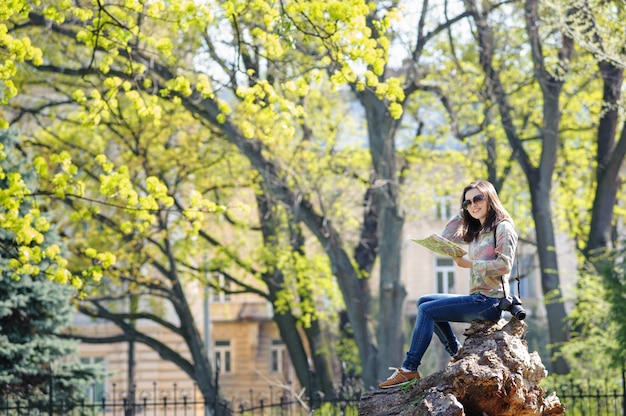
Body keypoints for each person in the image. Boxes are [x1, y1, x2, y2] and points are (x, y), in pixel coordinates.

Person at [379, 180, 518, 389]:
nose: (473, 205)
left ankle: (409, 368)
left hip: (491, 302)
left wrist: (469, 264)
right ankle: (458, 353)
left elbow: (504, 265)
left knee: (427, 310)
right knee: (424, 301)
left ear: (490, 198)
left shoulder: (503, 228)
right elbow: (447, 237)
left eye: (478, 199)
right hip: (478, 298)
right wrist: (464, 211)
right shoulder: (479, 231)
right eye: (468, 202)